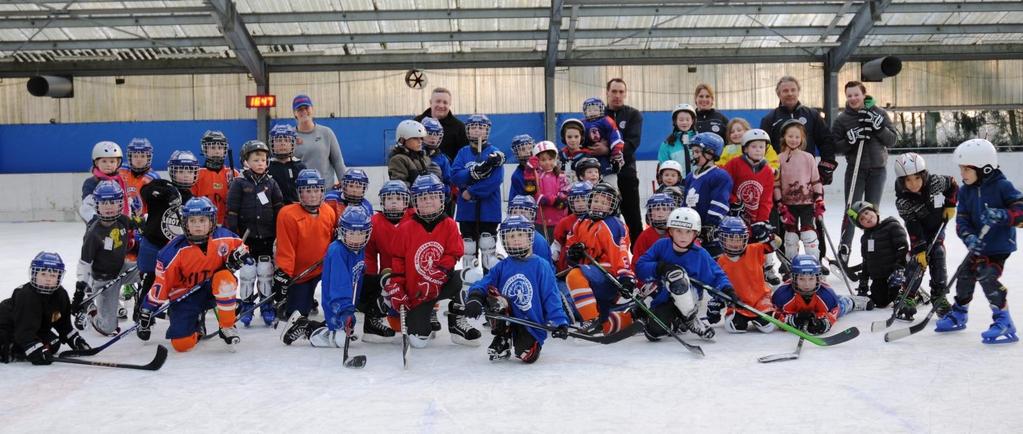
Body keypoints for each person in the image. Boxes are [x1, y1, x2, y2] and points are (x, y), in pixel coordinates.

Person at [936, 139, 1022, 344]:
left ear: (984, 168)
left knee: (987, 275)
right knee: (965, 274)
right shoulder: (965, 191)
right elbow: (962, 220)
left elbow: (1021, 212)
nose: (962, 173)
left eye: (966, 169)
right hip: (977, 245)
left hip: (998, 246)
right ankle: (959, 313)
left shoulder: (1003, 186)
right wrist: (969, 237)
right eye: (961, 168)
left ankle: (1004, 320)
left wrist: (1002, 215)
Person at [138, 197, 248, 352]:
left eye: (202, 220)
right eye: (193, 221)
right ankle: (196, 326)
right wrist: (147, 308)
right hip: (185, 297)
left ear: (211, 221)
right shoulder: (171, 252)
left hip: (211, 288)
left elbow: (242, 248)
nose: (197, 225)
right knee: (181, 345)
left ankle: (227, 326)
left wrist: (239, 257)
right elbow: (162, 284)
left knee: (225, 280)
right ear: (185, 223)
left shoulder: (224, 237)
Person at [382, 174, 479, 347]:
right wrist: (397, 286)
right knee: (417, 341)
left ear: (441, 198)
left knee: (471, 276)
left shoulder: (449, 224)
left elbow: (454, 253)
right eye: (423, 198)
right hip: (417, 293)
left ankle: (457, 321)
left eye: (433, 197)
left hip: (441, 283)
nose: (428, 201)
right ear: (415, 201)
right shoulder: (405, 228)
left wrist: (438, 273)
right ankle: (424, 318)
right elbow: (398, 261)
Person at [461, 215, 570, 363]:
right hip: (508, 316)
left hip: (531, 323)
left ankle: (526, 339)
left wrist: (560, 322)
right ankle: (503, 337)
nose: (516, 239)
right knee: (493, 297)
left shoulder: (541, 265)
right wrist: (474, 297)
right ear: (505, 240)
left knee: (526, 356)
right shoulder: (502, 266)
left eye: (520, 235)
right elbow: (484, 283)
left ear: (530, 237)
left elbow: (551, 296)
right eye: (511, 236)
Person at [282, 206, 374, 348]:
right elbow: (339, 285)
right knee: (340, 341)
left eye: (361, 233)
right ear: (343, 231)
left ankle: (331, 328)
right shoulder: (337, 251)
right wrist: (345, 311)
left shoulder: (359, 249)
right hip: (336, 303)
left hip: (347, 304)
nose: (356, 238)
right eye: (351, 232)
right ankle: (305, 326)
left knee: (345, 333)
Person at [634, 207, 732, 341]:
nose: (683, 236)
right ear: (671, 231)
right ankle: (678, 322)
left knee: (676, 275)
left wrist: (727, 290)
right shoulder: (661, 245)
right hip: (664, 297)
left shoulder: (700, 254)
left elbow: (717, 276)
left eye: (688, 232)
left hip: (690, 299)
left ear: (695, 234)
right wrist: (659, 267)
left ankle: (691, 320)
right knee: (654, 333)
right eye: (678, 231)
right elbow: (640, 267)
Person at [833, 81, 897, 256]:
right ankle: (845, 249)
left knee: (871, 212)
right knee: (852, 209)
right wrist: (850, 140)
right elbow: (835, 146)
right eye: (849, 95)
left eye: (856, 94)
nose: (853, 98)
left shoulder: (879, 113)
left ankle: (873, 250)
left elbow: (892, 140)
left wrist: (879, 128)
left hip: (877, 170)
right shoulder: (842, 119)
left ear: (864, 94)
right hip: (856, 170)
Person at [563, 182, 637, 335]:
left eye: (605, 203)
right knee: (606, 323)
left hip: (608, 276)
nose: (599, 205)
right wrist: (572, 253)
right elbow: (570, 245)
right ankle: (632, 317)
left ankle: (591, 320)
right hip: (591, 277)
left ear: (612, 206)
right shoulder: (581, 222)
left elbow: (620, 254)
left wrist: (626, 278)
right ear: (590, 201)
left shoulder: (613, 225)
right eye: (596, 201)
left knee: (575, 276)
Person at [225, 140, 284, 327]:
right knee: (248, 272)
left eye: (264, 160)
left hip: (267, 237)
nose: (260, 163)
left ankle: (267, 306)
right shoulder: (239, 183)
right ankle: (246, 304)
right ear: (245, 162)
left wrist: (279, 235)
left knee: (266, 271)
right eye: (256, 159)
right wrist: (234, 238)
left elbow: (279, 209)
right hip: (246, 239)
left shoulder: (271, 183)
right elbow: (232, 211)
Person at [893, 152, 958, 319]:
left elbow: (952, 184)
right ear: (902, 181)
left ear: (923, 175)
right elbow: (912, 226)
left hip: (937, 227)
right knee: (918, 261)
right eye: (908, 180)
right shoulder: (903, 201)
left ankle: (939, 295)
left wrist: (950, 204)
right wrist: (920, 248)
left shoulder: (936, 182)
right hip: (919, 232)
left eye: (916, 178)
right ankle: (907, 296)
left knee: (938, 254)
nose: (913, 184)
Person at [136, 150, 198, 320]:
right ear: (172, 171)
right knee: (150, 280)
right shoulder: (162, 185)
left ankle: (180, 312)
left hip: (177, 250)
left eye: (189, 171)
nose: (185, 176)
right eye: (180, 171)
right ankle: (141, 313)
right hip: (154, 246)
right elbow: (146, 191)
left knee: (181, 283)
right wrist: (167, 191)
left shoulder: (194, 200)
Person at [73, 181, 140, 336]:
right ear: (96, 205)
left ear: (120, 204)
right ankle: (91, 310)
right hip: (105, 280)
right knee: (108, 328)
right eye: (104, 203)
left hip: (122, 269)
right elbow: (84, 264)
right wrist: (79, 291)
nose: (109, 207)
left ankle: (142, 305)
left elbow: (140, 224)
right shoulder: (94, 233)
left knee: (150, 270)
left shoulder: (123, 220)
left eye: (113, 202)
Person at [0, 252, 91, 365]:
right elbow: (24, 331)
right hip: (9, 328)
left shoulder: (60, 295)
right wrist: (33, 348)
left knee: (54, 344)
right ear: (34, 274)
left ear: (59, 277)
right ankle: (10, 349)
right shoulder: (25, 295)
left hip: (33, 329)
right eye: (43, 274)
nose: (48, 279)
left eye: (53, 276)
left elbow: (63, 324)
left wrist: (75, 340)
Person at [274, 169, 337, 324]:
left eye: (316, 190)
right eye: (307, 191)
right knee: (296, 315)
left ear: (322, 191)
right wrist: (284, 274)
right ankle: (301, 299)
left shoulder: (328, 211)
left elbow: (332, 241)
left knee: (336, 301)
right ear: (299, 193)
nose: (313, 195)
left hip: (324, 268)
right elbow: (286, 248)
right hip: (301, 273)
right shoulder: (287, 214)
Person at [724, 128, 781, 284]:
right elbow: (723, 186)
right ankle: (734, 274)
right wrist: (734, 201)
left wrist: (761, 221)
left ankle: (766, 269)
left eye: (761, 147)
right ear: (745, 148)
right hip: (735, 217)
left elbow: (766, 199)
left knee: (764, 240)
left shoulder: (768, 171)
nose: (758, 150)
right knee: (738, 245)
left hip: (755, 216)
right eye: (754, 146)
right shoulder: (734, 164)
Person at [758, 76, 838, 185]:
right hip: (780, 178)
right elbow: (763, 148)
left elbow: (826, 141)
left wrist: (825, 168)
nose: (790, 93)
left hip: (807, 177)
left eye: (793, 90)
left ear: (798, 92)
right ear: (779, 94)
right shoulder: (769, 119)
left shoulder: (813, 115)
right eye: (785, 91)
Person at [452, 114, 505, 274]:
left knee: (487, 245)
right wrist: (472, 173)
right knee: (468, 247)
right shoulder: (463, 152)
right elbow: (455, 175)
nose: (477, 130)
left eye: (481, 127)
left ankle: (489, 281)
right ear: (467, 130)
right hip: (467, 210)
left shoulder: (494, 153)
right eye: (473, 127)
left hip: (489, 209)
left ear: (487, 130)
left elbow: (496, 180)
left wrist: (472, 191)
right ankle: (470, 280)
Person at [361, 181, 412, 342]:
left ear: (406, 201)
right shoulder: (374, 222)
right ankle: (374, 316)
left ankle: (428, 312)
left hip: (412, 278)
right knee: (396, 324)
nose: (394, 202)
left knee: (418, 327)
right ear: (382, 202)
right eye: (389, 198)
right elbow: (368, 255)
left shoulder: (416, 219)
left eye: (398, 198)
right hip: (387, 281)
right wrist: (372, 283)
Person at [772, 255, 870, 335]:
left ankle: (851, 301)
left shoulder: (827, 295)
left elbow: (832, 314)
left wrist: (821, 324)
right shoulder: (781, 295)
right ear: (793, 278)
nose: (807, 284)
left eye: (811, 279)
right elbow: (774, 315)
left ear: (818, 278)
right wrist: (794, 319)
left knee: (841, 306)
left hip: (822, 307)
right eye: (801, 279)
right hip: (798, 310)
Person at [774, 121, 824, 273]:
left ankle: (815, 267)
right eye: (790, 136)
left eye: (797, 137)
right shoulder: (779, 158)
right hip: (788, 205)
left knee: (809, 236)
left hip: (807, 203)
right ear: (784, 137)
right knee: (790, 238)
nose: (793, 139)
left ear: (802, 139)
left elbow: (816, 180)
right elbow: (776, 183)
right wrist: (780, 204)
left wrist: (819, 199)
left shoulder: (808, 157)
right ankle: (790, 268)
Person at [716, 217, 777, 333]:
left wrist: (766, 236)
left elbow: (777, 243)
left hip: (760, 300)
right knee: (734, 327)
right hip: (739, 303)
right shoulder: (721, 261)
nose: (735, 243)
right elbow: (719, 284)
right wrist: (718, 302)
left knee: (767, 326)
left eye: (739, 238)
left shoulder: (755, 249)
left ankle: (761, 316)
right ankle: (747, 317)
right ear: (722, 239)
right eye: (730, 239)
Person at [604, 78, 645, 246]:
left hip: (626, 173)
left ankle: (639, 257)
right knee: (606, 217)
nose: (617, 96)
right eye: (614, 91)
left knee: (633, 218)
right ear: (607, 93)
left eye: (621, 92)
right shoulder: (599, 116)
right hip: (603, 175)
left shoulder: (633, 115)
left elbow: (632, 144)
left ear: (625, 94)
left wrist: (607, 150)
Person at [846, 201, 909, 309]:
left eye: (866, 213)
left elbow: (902, 247)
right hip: (880, 277)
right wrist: (863, 283)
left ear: (874, 211)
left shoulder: (891, 226)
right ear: (860, 225)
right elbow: (866, 261)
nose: (867, 218)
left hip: (896, 273)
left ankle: (914, 295)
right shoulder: (865, 239)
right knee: (880, 302)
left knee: (896, 297)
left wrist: (900, 267)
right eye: (862, 219)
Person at [683, 132, 732, 258]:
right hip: (691, 232)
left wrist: (709, 226)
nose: (694, 155)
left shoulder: (720, 176)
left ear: (710, 153)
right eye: (693, 152)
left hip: (711, 237)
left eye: (698, 152)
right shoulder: (690, 177)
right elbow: (685, 203)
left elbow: (720, 202)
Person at [292, 94, 346, 186]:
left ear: (312, 109)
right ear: (295, 113)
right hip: (301, 194)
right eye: (300, 109)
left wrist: (345, 184)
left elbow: (337, 161)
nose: (304, 111)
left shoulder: (326, 133)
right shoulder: (289, 136)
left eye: (306, 108)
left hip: (326, 192)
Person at [192, 130, 239, 226]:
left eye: (220, 147)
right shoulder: (197, 174)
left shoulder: (233, 173)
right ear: (205, 149)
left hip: (228, 225)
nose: (217, 151)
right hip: (203, 225)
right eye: (212, 147)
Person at [415, 87, 469, 161]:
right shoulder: (417, 122)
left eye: (445, 102)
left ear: (450, 104)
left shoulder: (460, 127)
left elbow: (464, 157)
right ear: (431, 102)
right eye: (438, 101)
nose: (441, 105)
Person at [80, 141, 128, 224]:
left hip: (118, 220)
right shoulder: (91, 182)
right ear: (96, 162)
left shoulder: (121, 180)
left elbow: (125, 201)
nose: (108, 165)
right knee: (84, 207)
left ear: (118, 163)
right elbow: (87, 205)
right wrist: (96, 221)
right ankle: (97, 225)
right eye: (104, 161)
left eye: (112, 161)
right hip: (99, 220)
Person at [582, 97, 625, 188]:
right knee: (588, 187)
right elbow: (579, 140)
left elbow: (615, 134)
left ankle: (613, 195)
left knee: (610, 185)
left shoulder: (607, 120)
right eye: (590, 109)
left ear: (601, 109)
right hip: (589, 159)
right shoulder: (582, 123)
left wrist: (616, 151)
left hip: (606, 159)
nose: (592, 112)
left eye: (595, 109)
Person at [388, 119, 442, 187]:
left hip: (426, 196)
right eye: (415, 138)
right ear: (402, 140)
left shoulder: (424, 157)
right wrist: (423, 183)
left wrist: (435, 178)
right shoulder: (398, 159)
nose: (420, 141)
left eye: (421, 138)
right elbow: (400, 185)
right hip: (412, 197)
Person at [532, 140, 569, 238]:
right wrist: (537, 198)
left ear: (555, 159)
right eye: (543, 160)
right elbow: (532, 192)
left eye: (550, 159)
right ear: (537, 161)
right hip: (541, 219)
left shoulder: (561, 176)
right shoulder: (536, 176)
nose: (547, 162)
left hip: (558, 218)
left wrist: (549, 199)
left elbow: (564, 195)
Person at [552, 181, 592, 273]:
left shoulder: (596, 221)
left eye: (584, 199)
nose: (580, 204)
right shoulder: (564, 222)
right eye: (576, 200)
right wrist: (552, 262)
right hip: (566, 270)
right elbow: (557, 245)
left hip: (589, 267)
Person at [422, 117, 456, 216]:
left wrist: (439, 188)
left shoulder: (444, 159)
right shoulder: (414, 156)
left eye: (436, 134)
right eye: (430, 133)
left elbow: (449, 183)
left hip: (438, 202)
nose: (433, 137)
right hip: (419, 201)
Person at [119, 137, 160, 216]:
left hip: (143, 218)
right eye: (135, 156)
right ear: (130, 157)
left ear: (148, 157)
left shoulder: (153, 178)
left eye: (142, 156)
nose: (139, 159)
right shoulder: (122, 170)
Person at [267, 124, 307, 205]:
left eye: (286, 140)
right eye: (278, 140)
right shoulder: (266, 167)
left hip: (296, 210)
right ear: (272, 143)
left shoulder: (300, 167)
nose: (283, 143)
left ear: (292, 143)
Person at [507, 195, 553, 263]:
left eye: (522, 212)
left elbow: (541, 268)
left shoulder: (538, 241)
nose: (518, 216)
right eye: (514, 212)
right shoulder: (509, 235)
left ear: (532, 215)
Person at [632, 193, 673, 268]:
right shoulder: (645, 236)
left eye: (664, 209)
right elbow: (637, 263)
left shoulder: (676, 232)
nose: (661, 212)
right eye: (656, 209)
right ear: (650, 213)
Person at [658, 103, 697, 176]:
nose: (684, 122)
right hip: (677, 184)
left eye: (687, 119)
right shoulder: (667, 144)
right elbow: (664, 167)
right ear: (675, 121)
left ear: (692, 121)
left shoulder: (700, 140)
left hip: (697, 182)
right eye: (681, 120)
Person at [508, 133, 537, 201]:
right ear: (516, 152)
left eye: (530, 148)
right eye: (523, 149)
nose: (528, 152)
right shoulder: (516, 176)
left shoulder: (542, 168)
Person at [558, 119, 587, 183]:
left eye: (576, 137)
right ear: (564, 138)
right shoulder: (559, 156)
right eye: (569, 137)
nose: (573, 140)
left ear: (581, 137)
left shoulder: (587, 157)